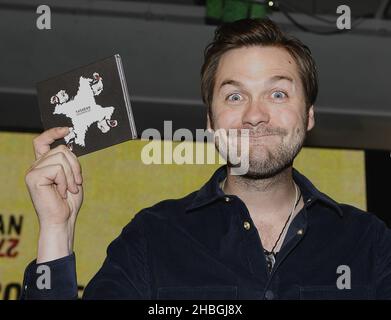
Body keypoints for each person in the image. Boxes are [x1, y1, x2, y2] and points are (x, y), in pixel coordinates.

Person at [21, 18, 391, 300]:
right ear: (210, 122)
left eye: (277, 94)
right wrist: (57, 230)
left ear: (308, 115)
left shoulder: (369, 243)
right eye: (234, 96)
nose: (254, 114)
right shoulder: (153, 237)